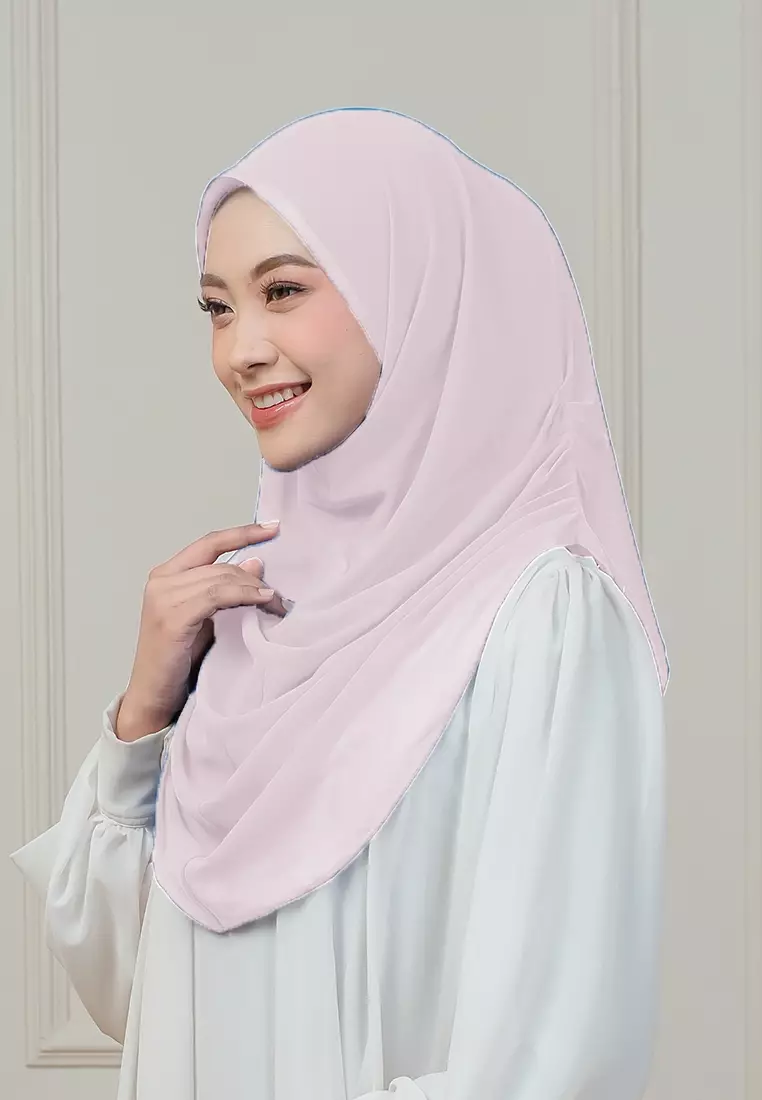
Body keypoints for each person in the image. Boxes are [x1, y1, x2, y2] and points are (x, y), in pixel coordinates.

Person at [11, 107, 670, 1100]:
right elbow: (142, 996)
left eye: (283, 290)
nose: (240, 350)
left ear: (419, 292)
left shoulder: (543, 621)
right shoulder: (252, 626)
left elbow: (547, 1060)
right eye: (218, 307)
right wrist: (143, 714)